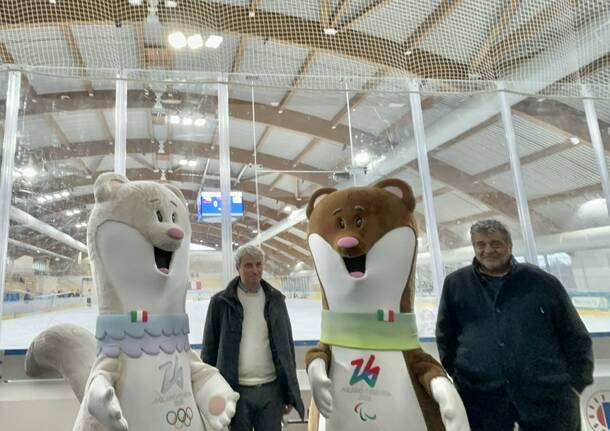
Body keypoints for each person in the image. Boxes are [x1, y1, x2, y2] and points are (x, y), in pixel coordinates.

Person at [436, 219, 593, 431]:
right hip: (482, 401)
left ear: (509, 246)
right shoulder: (456, 284)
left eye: (495, 243)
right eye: (480, 244)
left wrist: (576, 384)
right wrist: (462, 376)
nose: (488, 250)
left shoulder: (541, 282)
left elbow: (574, 335)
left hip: (548, 400)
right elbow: (446, 336)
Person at [201, 245, 304, 431]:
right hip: (235, 391)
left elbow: (287, 349)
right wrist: (208, 392)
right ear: (237, 268)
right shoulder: (220, 303)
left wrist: (289, 392)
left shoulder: (276, 301)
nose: (255, 270)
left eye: (258, 265)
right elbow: (209, 350)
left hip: (271, 393)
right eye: (248, 265)